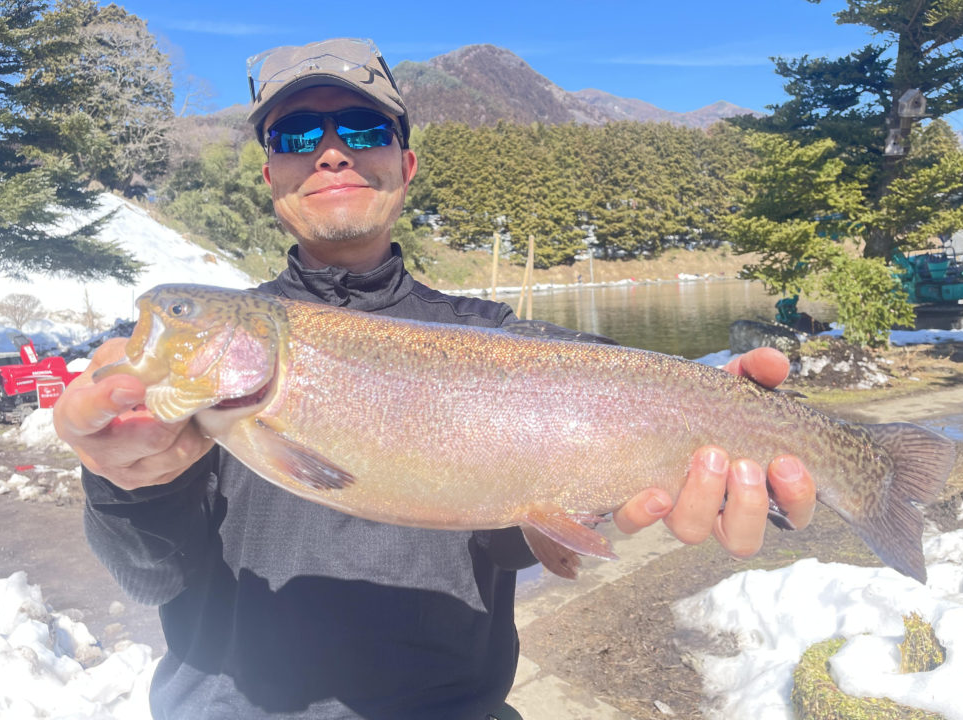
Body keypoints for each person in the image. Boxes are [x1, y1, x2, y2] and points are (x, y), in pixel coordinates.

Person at [53, 37, 817, 720]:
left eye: (362, 130)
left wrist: (727, 426)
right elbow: (151, 579)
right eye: (296, 135)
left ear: (406, 164)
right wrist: (125, 483)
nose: (331, 152)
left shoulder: (501, 341)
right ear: (270, 175)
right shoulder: (200, 395)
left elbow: (509, 545)